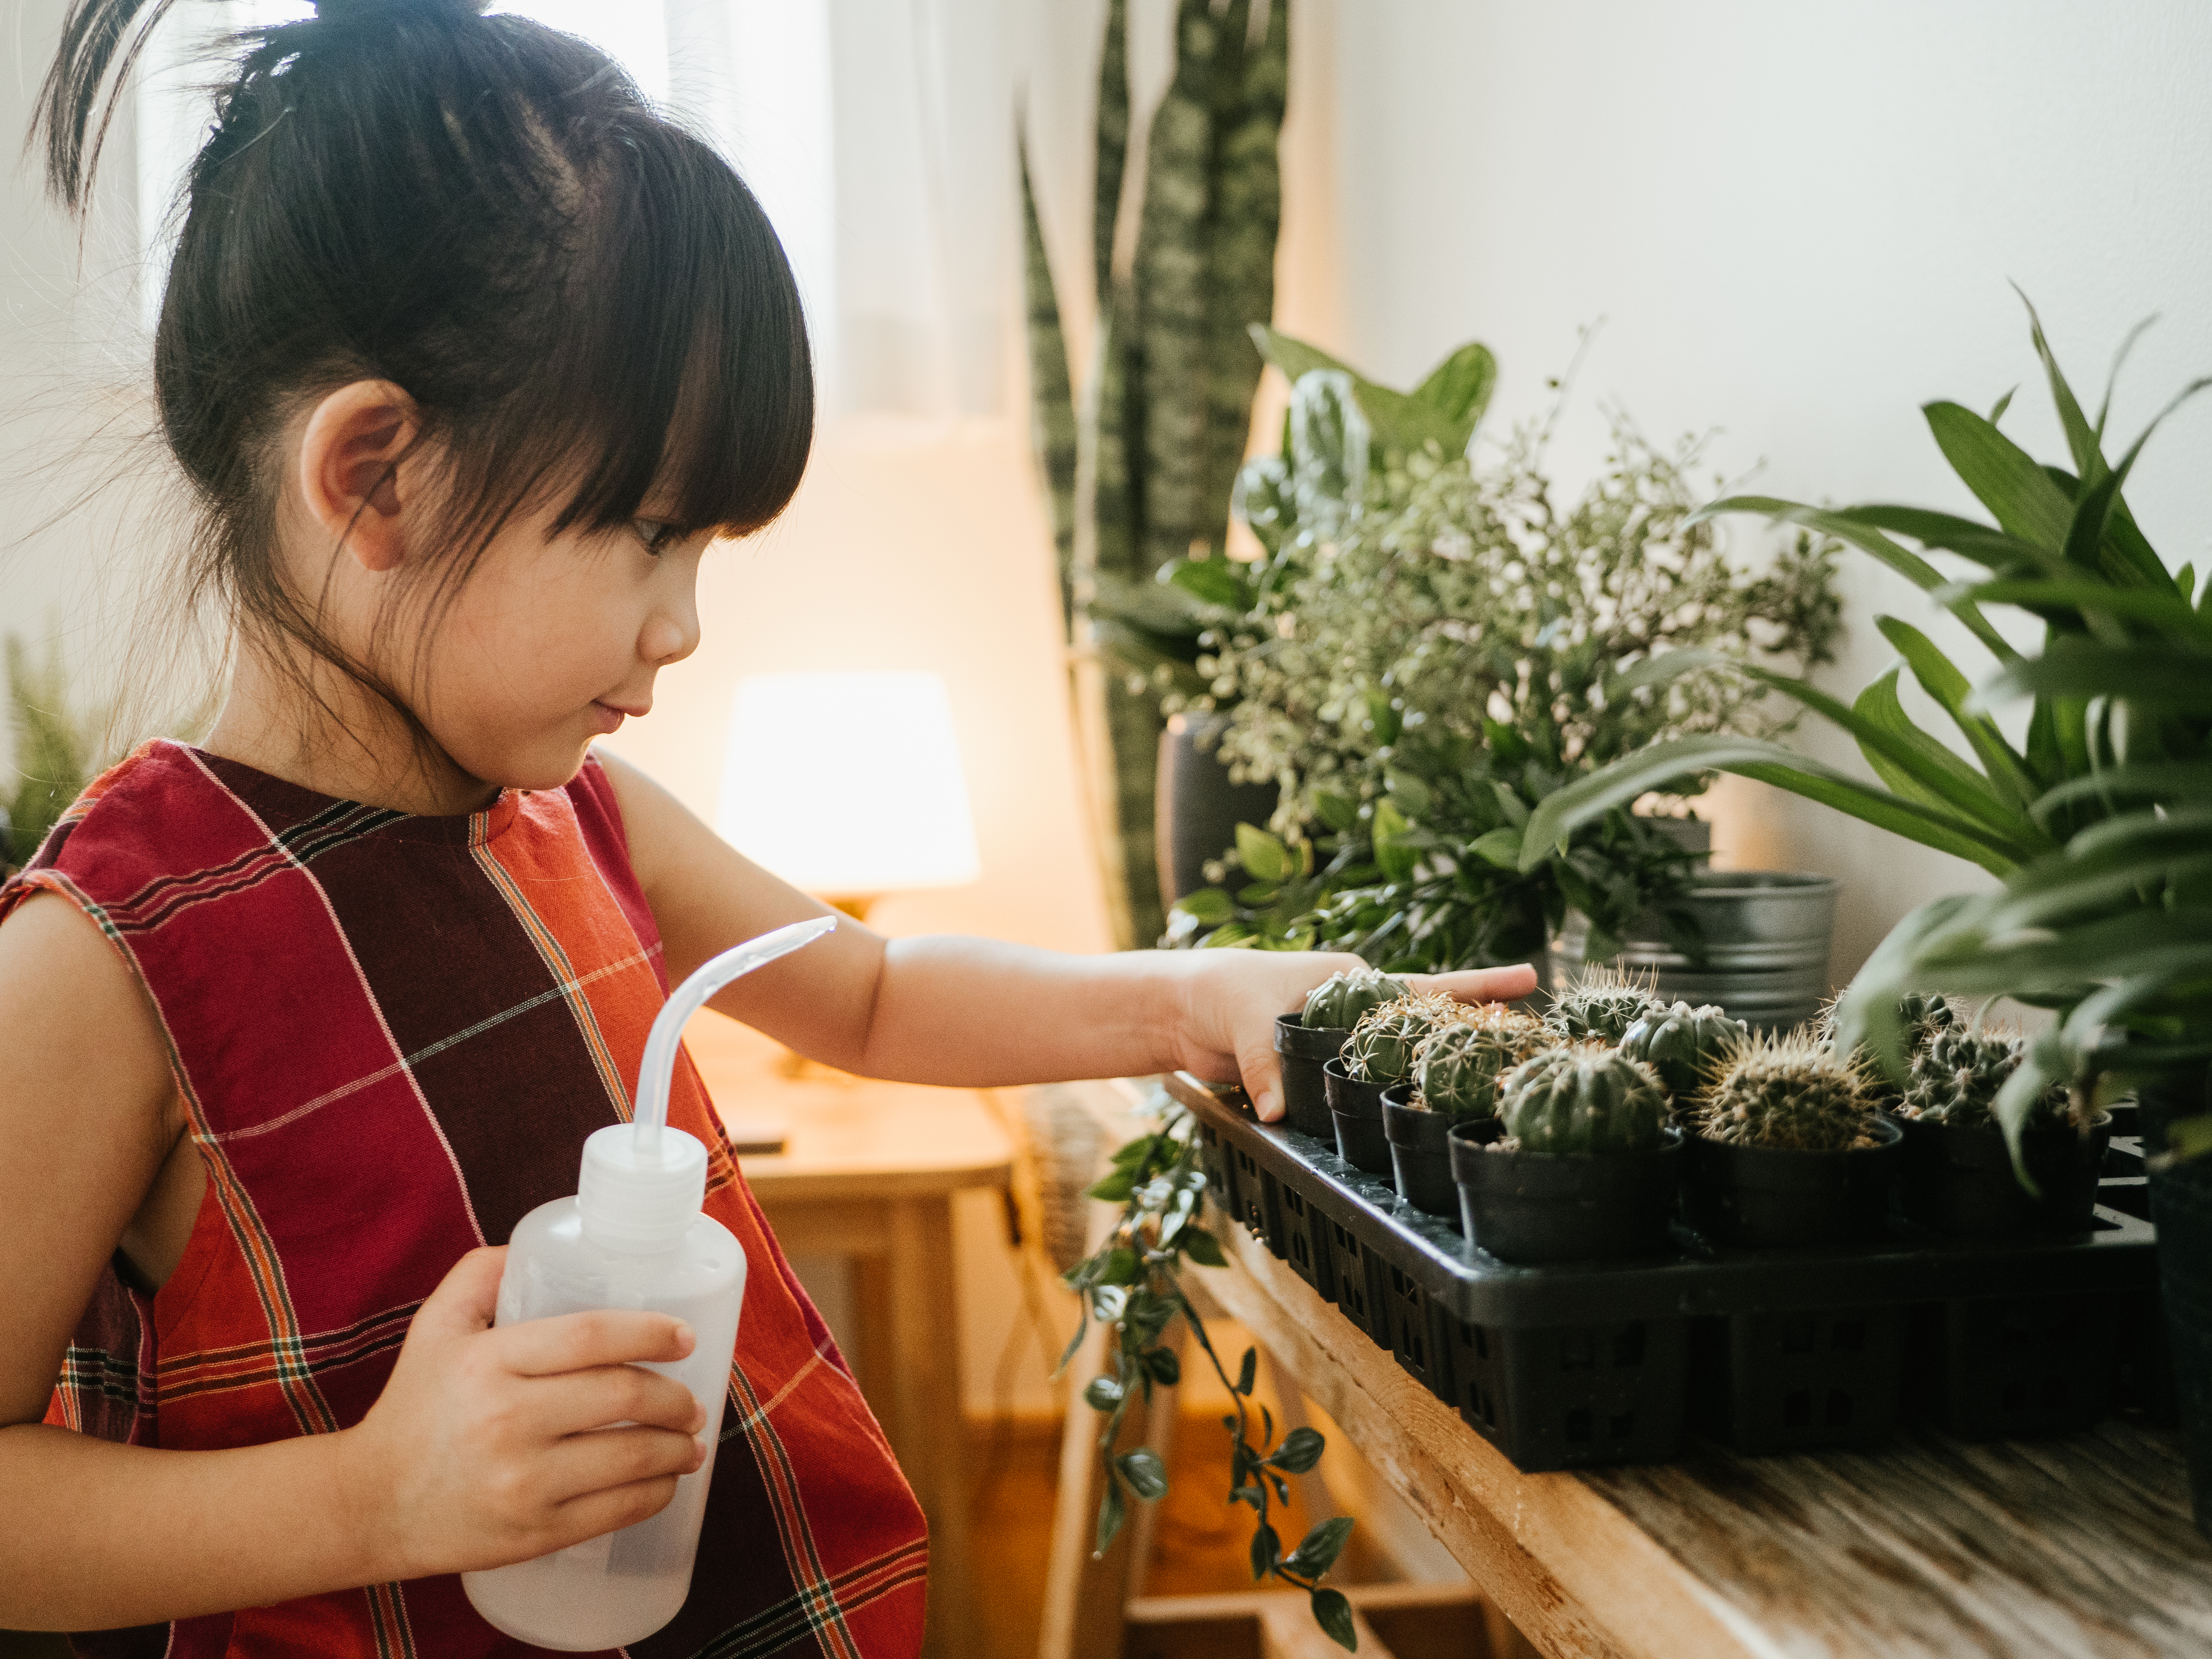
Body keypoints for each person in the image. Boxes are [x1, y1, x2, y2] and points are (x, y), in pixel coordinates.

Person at [0, 0, 1535, 1651]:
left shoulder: (580, 819)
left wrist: (1190, 997)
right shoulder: (105, 964)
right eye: (651, 533)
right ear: (380, 478)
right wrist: (380, 1495)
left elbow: (869, 994)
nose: (682, 625)